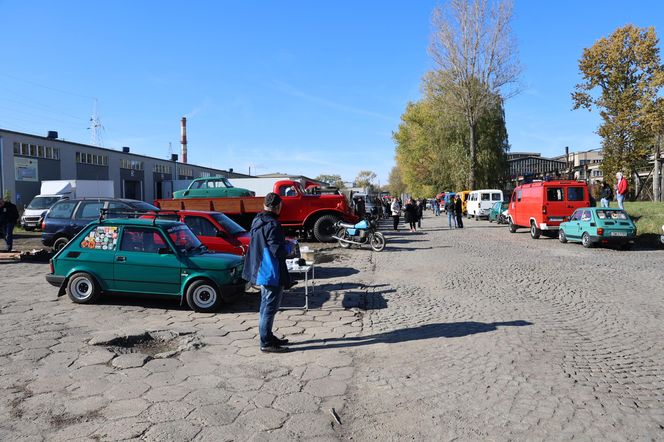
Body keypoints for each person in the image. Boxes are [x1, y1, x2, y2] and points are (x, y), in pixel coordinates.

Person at [242, 193, 292, 353]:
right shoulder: (273, 225)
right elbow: (277, 251)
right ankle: (266, 342)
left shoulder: (257, 220)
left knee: (265, 306)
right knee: (270, 308)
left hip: (261, 270)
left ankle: (268, 336)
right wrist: (290, 247)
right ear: (277, 207)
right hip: (271, 272)